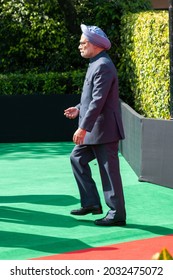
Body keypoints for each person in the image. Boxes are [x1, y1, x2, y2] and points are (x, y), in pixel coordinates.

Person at [64, 24, 126, 226]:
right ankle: (91, 203)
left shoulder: (103, 66)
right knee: (77, 158)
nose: (80, 46)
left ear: (95, 45)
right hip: (95, 131)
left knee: (109, 172)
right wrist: (78, 108)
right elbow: (91, 98)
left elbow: (99, 101)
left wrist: (83, 127)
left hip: (104, 131)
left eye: (83, 43)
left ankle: (116, 213)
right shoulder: (96, 63)